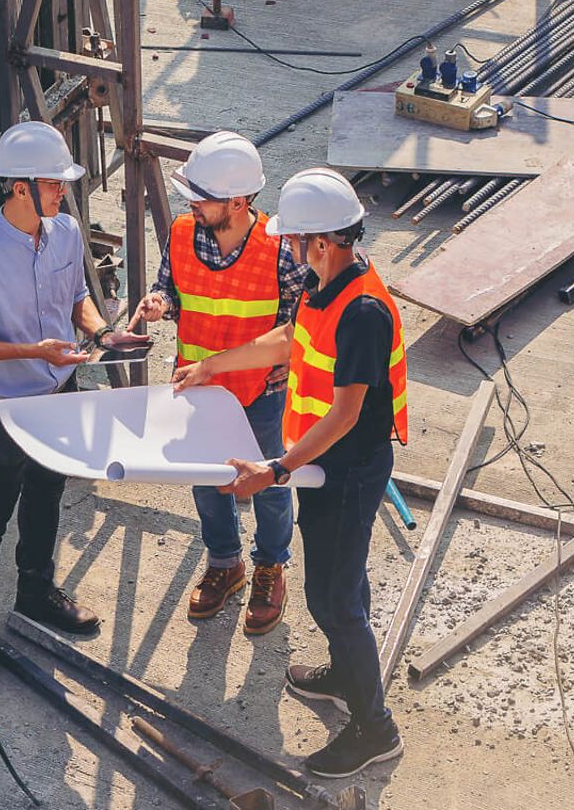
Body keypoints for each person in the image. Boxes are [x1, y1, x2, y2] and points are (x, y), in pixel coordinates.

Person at [170, 167, 408, 778]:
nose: (289, 249)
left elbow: (348, 411)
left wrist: (275, 470)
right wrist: (213, 366)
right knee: (334, 586)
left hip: (350, 471)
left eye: (296, 241)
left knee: (336, 597)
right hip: (323, 465)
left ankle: (374, 729)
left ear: (322, 243)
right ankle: (340, 677)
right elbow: (287, 340)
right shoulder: (321, 285)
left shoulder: (362, 312)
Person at [0, 120, 130, 700]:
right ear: (18, 187)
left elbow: (77, 298)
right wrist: (32, 350)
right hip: (3, 408)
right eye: (52, 183)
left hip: (59, 394)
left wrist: (102, 333)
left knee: (48, 495)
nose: (61, 193)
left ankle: (35, 591)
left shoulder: (67, 234)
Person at [132, 132, 308, 635]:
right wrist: (159, 303)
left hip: (260, 391)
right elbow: (170, 285)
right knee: (208, 483)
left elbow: (304, 324)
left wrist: (290, 360)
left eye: (201, 195)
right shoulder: (185, 232)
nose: (191, 202)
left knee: (271, 483)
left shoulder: (280, 248)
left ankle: (270, 566)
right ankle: (225, 563)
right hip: (197, 385)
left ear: (238, 200)